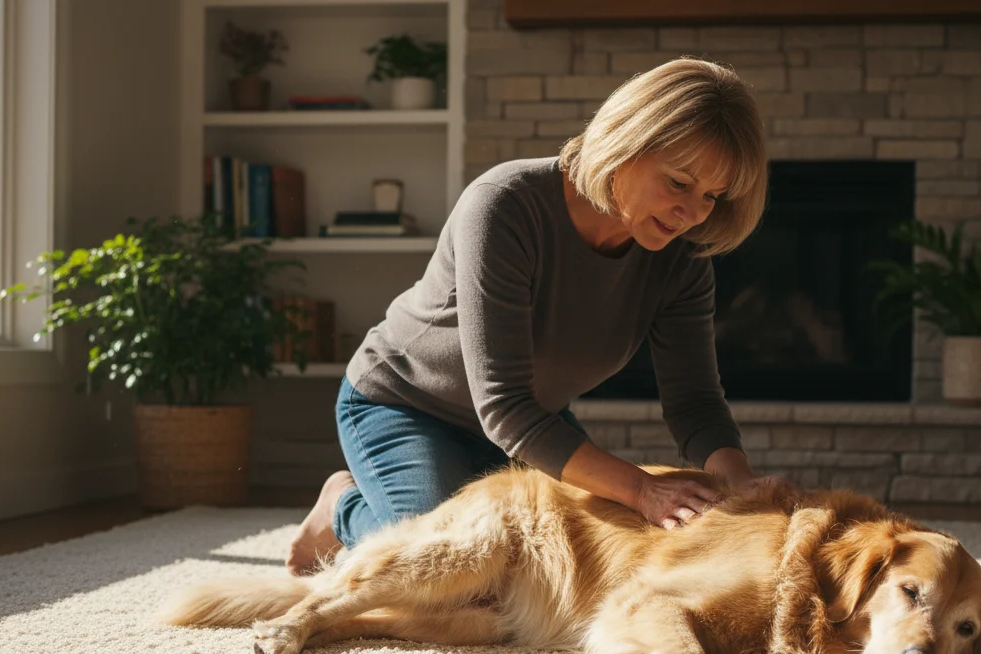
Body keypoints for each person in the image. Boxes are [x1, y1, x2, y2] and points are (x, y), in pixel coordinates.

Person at [287, 57, 770, 576]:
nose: (694, 213)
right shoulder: (505, 205)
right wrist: (641, 489)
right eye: (679, 183)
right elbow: (505, 403)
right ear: (625, 143)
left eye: (712, 197)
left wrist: (740, 485)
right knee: (447, 567)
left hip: (528, 424)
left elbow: (695, 402)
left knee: (551, 566)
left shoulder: (681, 259)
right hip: (406, 403)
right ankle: (341, 508)